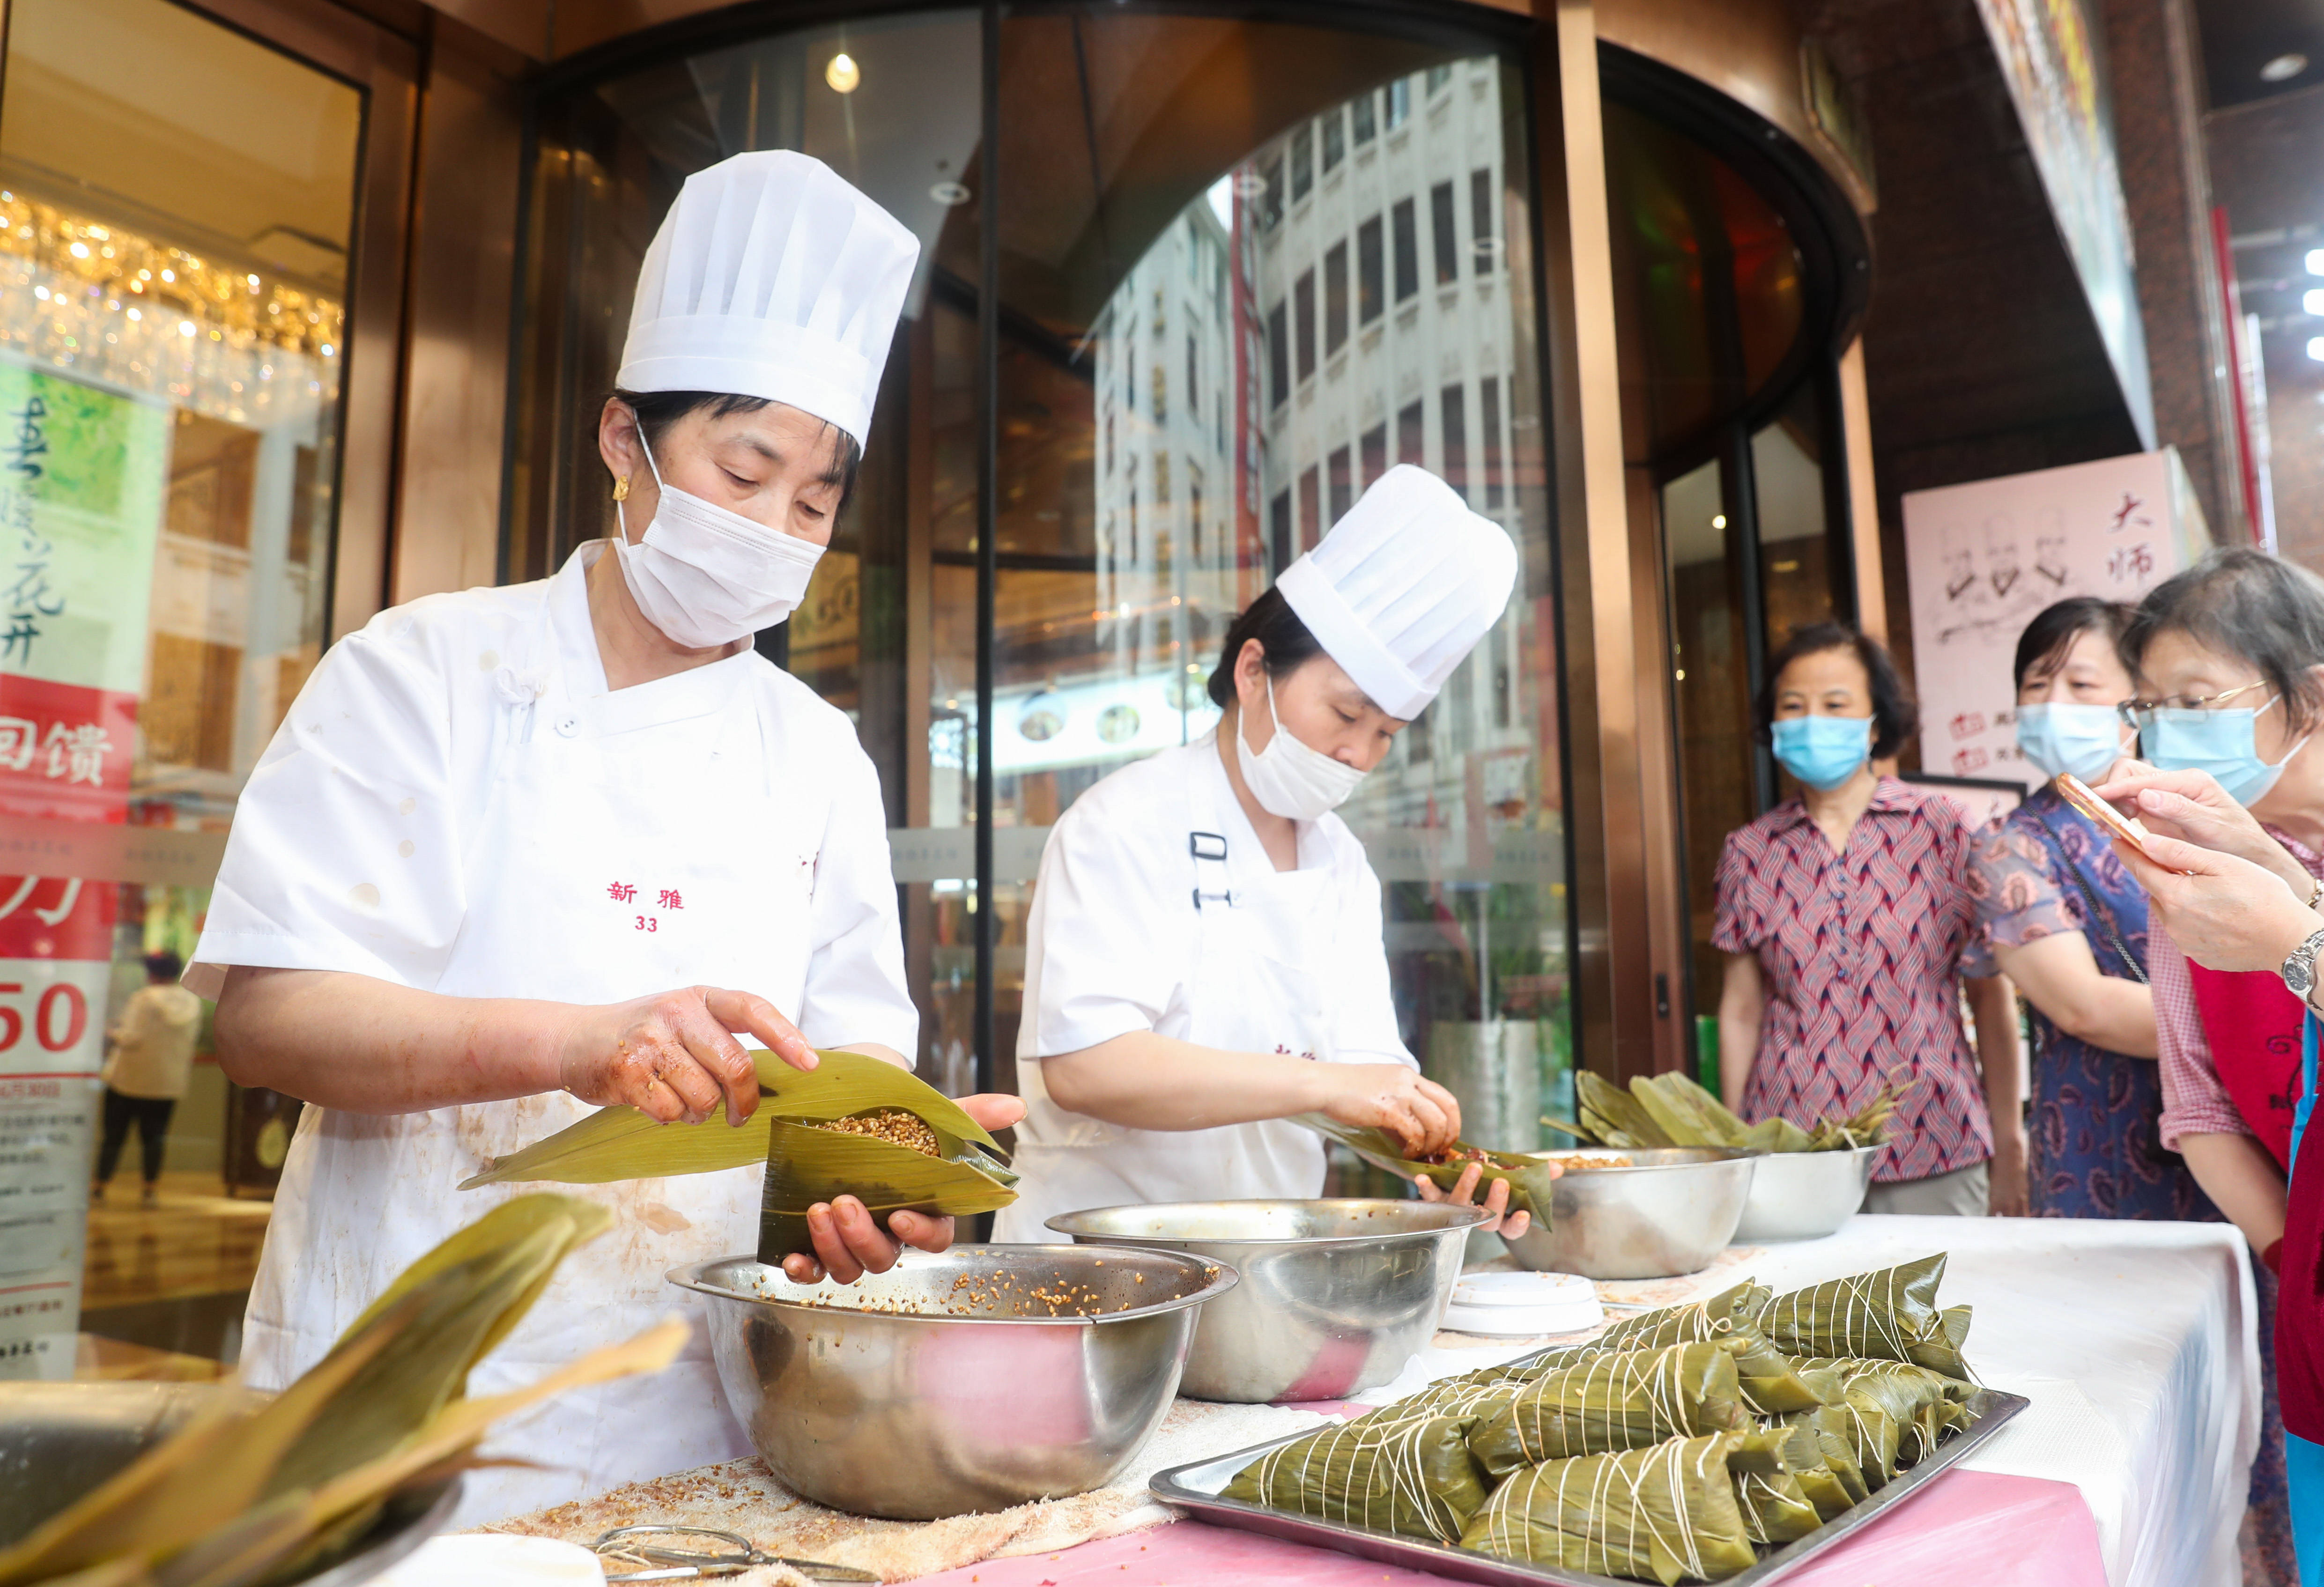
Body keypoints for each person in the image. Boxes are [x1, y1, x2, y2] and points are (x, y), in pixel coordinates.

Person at [192, 152, 1022, 1523]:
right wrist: (580, 1044)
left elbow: (849, 1061)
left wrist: (880, 1182)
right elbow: (269, 1019)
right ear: (623, 441)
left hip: (686, 1413)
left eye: (812, 500)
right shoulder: (427, 670)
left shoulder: (815, 751)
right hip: (401, 1395)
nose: (771, 529)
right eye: (742, 469)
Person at [992, 466, 1536, 1240]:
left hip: (1272, 1264)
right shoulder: (1122, 821)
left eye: (1385, 734)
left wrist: (1444, 1167)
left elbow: (1366, 1084)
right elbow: (1086, 1067)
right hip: (1099, 1264)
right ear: (1254, 672)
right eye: (1345, 712)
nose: (1357, 753)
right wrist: (1324, 1085)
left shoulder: (1341, 862)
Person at [2089, 548, 2324, 1583]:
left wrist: (2294, 936)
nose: (2174, 729)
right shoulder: (2194, 871)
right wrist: (2293, 1258)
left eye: (2199, 698)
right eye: (2155, 707)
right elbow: (2199, 1105)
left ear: (2308, 694)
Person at [1715, 622, 2027, 1217]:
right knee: (1802, 1312)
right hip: (1789, 1147)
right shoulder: (1750, 850)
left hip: (1935, 1138)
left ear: (1875, 723)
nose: (1813, 720)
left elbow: (1991, 998)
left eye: (1835, 705)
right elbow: (1741, 1008)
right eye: (1793, 705)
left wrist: (2009, 1141)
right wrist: (1735, 1144)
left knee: (1939, 1309)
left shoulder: (1945, 829)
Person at [1966, 598, 2211, 1218]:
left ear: (2136, 701)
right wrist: (2265, 1024)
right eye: (2035, 685)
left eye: (2080, 684)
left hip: (2241, 1117)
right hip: (2099, 1136)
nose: (2053, 705)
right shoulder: (2009, 846)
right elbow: (2084, 1007)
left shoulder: (2200, 814)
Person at [91, 950, 202, 1206]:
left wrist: (111, 1031)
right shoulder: (192, 1001)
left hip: (129, 1081)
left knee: (114, 1136)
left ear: (151, 972)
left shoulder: (144, 999)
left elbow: (131, 1037)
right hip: (167, 1084)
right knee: (155, 1138)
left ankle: (99, 1186)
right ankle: (150, 1190)